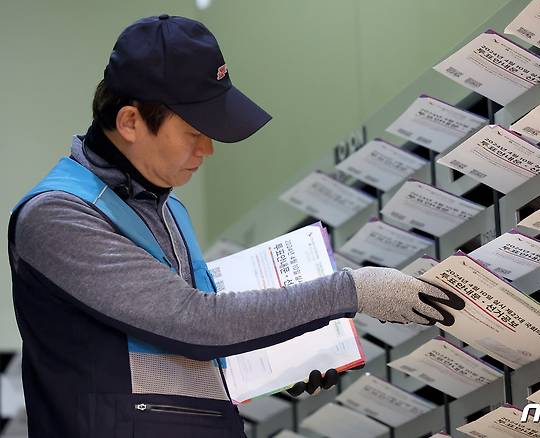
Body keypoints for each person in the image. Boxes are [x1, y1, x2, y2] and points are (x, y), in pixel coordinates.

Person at [7, 15, 465, 437]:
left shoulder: (169, 209)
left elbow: (171, 348)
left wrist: (271, 365)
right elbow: (192, 321)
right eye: (194, 132)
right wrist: (353, 291)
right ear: (129, 121)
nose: (207, 150)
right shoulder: (58, 214)